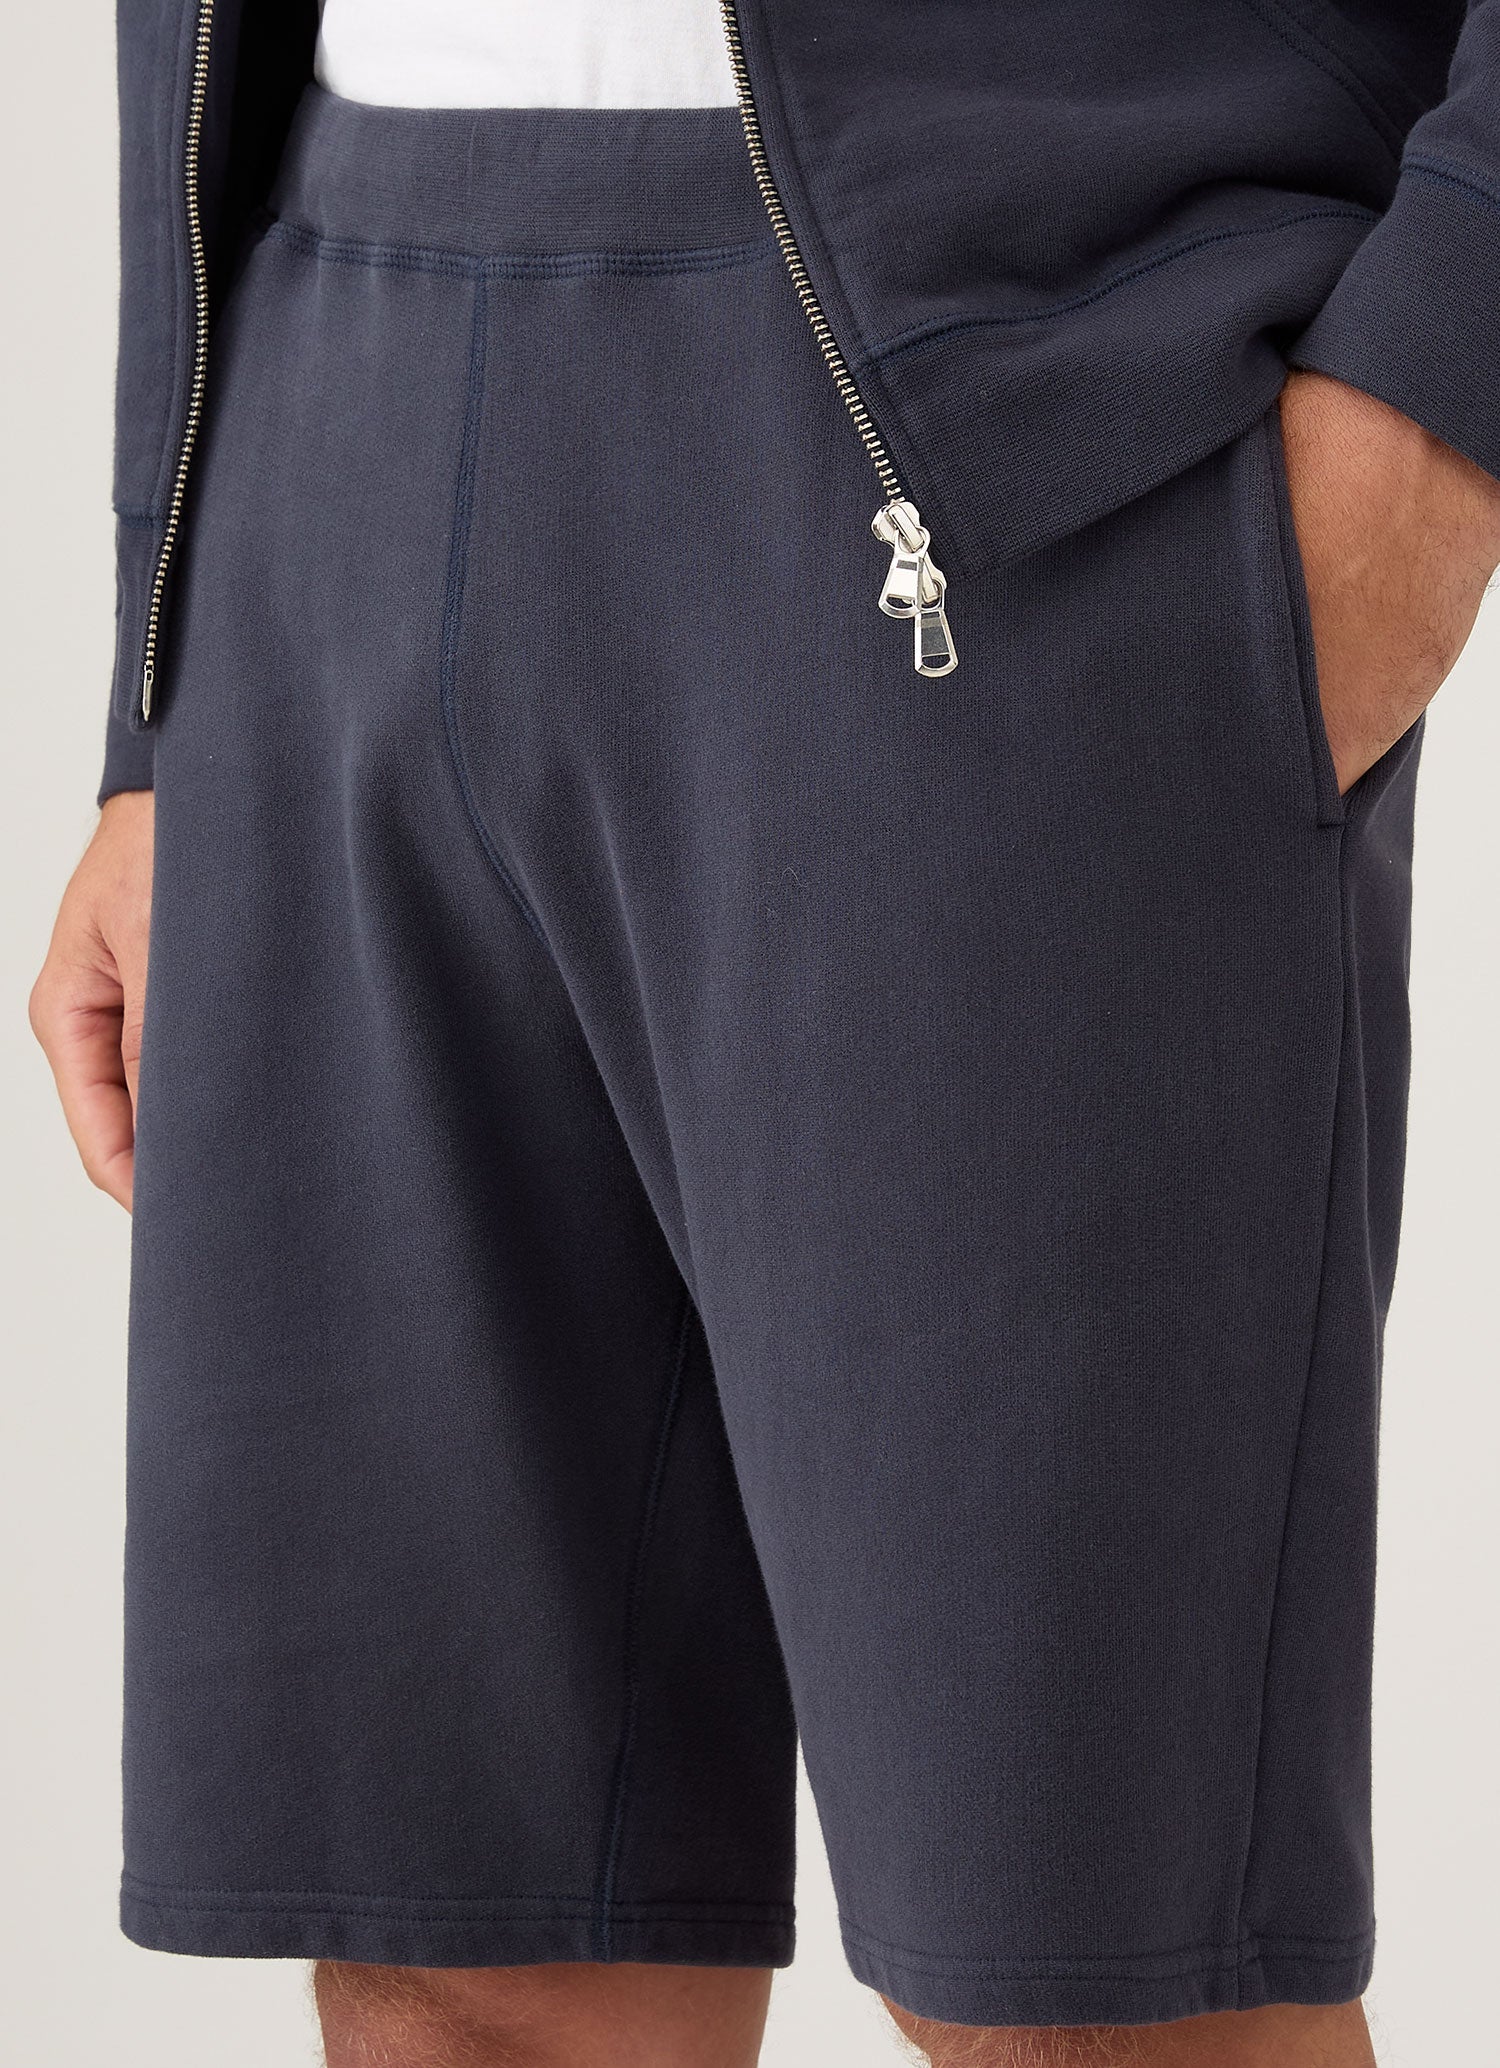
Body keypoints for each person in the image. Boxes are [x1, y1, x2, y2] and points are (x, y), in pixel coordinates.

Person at [29, 2, 1500, 2063]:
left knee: (1089, 1989)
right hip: (328, 387)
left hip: (1038, 395)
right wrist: (157, 676)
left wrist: (1437, 403)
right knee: (465, 1964)